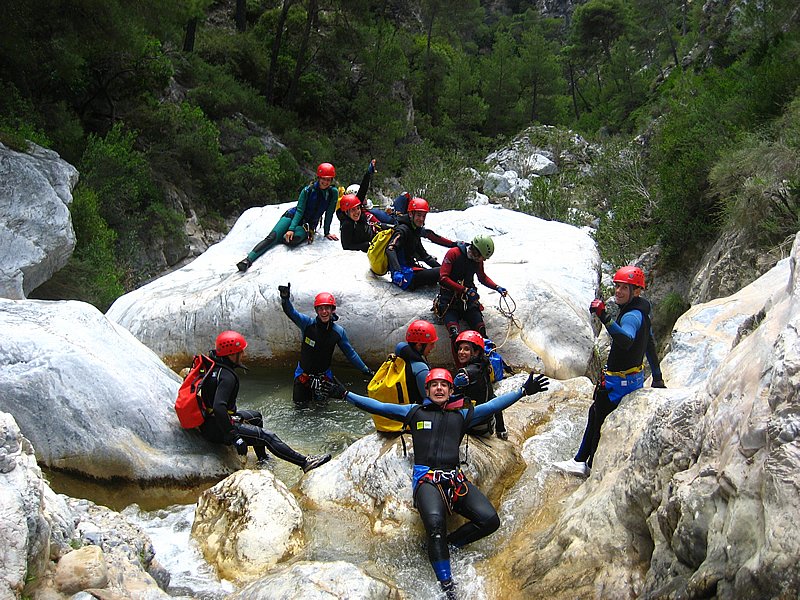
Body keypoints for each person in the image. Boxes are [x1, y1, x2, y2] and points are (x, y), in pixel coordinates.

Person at [325, 367, 549, 598]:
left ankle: (450, 545)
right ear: (428, 389)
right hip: (427, 480)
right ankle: (447, 585)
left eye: (444, 385)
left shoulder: (461, 415)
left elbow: (493, 406)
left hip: (455, 478)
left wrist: (522, 391)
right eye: (435, 385)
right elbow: (380, 407)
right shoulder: (415, 412)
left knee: (490, 521)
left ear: (451, 390)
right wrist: (345, 395)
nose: (439, 388)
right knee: (435, 526)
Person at [554, 265, 656, 478]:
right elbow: (650, 345)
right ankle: (580, 460)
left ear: (636, 291)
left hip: (618, 385)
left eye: (624, 288)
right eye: (617, 286)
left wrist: (604, 317)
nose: (618, 291)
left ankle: (589, 465)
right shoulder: (643, 312)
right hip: (634, 379)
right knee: (594, 414)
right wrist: (658, 377)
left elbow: (626, 340)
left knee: (598, 418)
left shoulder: (631, 316)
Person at [197, 330, 331, 472]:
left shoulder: (214, 367)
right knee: (267, 436)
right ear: (231, 354)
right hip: (217, 428)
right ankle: (305, 463)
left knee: (256, 416)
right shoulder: (227, 377)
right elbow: (219, 407)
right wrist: (234, 436)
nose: (243, 355)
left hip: (211, 421)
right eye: (240, 352)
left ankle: (263, 459)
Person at [279, 283, 373, 405]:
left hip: (323, 378)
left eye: (327, 308)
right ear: (316, 310)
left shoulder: (338, 332)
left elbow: (351, 354)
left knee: (321, 410)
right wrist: (285, 298)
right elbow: (291, 313)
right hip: (303, 375)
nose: (324, 312)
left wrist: (365, 370)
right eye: (321, 308)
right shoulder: (307, 324)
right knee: (299, 408)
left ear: (332, 310)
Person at [236, 162, 340, 271]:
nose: (326, 182)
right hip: (293, 215)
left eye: (328, 179)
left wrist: (327, 232)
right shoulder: (308, 190)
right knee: (272, 237)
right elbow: (300, 211)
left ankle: (280, 238)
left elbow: (329, 213)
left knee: (293, 239)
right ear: (318, 178)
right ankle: (248, 260)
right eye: (323, 179)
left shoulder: (333, 193)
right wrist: (291, 229)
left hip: (308, 224)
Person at [436, 234, 508, 364]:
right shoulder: (454, 253)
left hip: (468, 301)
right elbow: (443, 278)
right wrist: (464, 290)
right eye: (482, 257)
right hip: (450, 301)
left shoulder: (477, 260)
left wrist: (497, 287)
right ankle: (462, 370)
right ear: (475, 250)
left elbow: (482, 277)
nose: (482, 260)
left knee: (481, 331)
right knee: (454, 335)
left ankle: (486, 366)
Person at [385, 197, 456, 291]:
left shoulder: (414, 230)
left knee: (446, 270)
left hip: (410, 272)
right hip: (405, 276)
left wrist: (442, 268)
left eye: (424, 216)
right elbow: (390, 249)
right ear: (410, 214)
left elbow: (424, 256)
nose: (421, 219)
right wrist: (397, 271)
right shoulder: (403, 230)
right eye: (419, 215)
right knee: (444, 272)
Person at [452, 330, 507, 440]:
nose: (461, 352)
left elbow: (451, 402)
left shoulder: (464, 373)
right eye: (460, 348)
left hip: (474, 427)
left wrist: (454, 386)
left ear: (476, 352)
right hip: (488, 426)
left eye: (466, 349)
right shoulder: (484, 367)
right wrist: (501, 429)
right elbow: (493, 398)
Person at [396, 319, 439, 405]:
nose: (433, 347)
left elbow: (400, 345)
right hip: (414, 412)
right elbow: (431, 399)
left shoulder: (400, 351)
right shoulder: (421, 368)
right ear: (419, 345)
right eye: (431, 344)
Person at [343, 159, 395, 225]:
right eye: (364, 196)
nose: (365, 198)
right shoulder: (364, 214)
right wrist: (368, 173)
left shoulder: (366, 208)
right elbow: (363, 189)